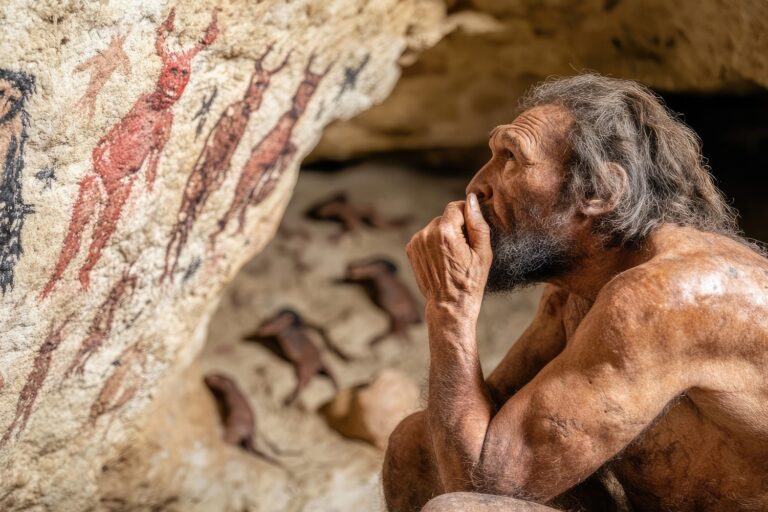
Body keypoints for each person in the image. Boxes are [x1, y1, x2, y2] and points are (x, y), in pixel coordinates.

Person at [383, 74, 768, 511]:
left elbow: (485, 483)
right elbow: (486, 439)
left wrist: (450, 308)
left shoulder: (666, 296)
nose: (476, 186)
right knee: (416, 447)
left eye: (511, 158)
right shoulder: (577, 292)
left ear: (599, 191)